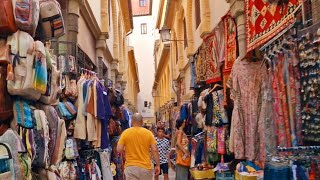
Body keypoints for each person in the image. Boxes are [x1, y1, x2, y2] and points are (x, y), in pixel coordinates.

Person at [117, 113, 160, 180]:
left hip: (131, 167)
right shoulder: (149, 133)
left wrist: (127, 148)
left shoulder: (125, 133)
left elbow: (119, 149)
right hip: (145, 168)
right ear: (142, 122)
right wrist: (157, 165)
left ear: (131, 121)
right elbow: (154, 150)